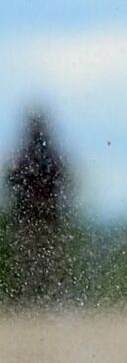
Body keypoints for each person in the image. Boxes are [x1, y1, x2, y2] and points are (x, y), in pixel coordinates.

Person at [5, 108, 72, 301]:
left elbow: (12, 179)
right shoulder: (45, 154)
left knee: (35, 260)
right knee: (41, 260)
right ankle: (42, 298)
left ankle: (34, 298)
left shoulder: (28, 155)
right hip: (40, 216)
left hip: (36, 216)